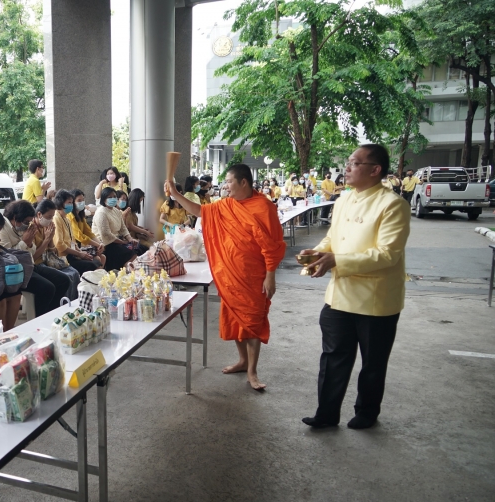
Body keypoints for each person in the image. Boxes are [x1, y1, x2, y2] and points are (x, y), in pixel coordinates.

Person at [300, 144, 410, 430]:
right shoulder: (344, 200)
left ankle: (366, 411)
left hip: (376, 299)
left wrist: (337, 260)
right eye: (348, 162)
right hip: (340, 295)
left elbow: (388, 255)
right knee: (333, 357)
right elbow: (333, 238)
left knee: (373, 363)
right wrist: (319, 252)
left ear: (375, 170)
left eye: (355, 163)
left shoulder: (393, 205)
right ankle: (326, 413)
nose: (347, 168)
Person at [165, 164, 286, 391]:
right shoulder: (226, 205)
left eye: (229, 182)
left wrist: (271, 276)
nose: (225, 186)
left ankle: (252, 371)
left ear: (243, 182)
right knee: (235, 318)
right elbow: (199, 211)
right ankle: (242, 361)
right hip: (229, 273)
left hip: (253, 275)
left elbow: (273, 246)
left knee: (252, 321)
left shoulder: (264, 208)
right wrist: (176, 194)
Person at [0, 200, 70, 316]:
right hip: (16, 271)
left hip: (30, 265)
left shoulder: (21, 227)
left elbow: (31, 252)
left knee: (63, 280)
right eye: (26, 221)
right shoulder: (3, 229)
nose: (27, 224)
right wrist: (25, 242)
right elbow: (8, 257)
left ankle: (52, 313)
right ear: (16, 217)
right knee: (48, 288)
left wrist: (30, 243)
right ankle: (41, 317)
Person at [34, 200, 81, 299]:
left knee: (75, 273)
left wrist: (50, 238)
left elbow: (53, 251)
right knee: (65, 279)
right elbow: (33, 257)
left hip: (48, 261)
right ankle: (59, 306)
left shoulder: (45, 227)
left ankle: (72, 302)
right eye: (49, 217)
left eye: (52, 217)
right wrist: (46, 240)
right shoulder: (32, 229)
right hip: (37, 264)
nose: (51, 220)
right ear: (39, 214)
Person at [52, 190, 100, 274]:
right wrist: (79, 254)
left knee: (96, 261)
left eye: (71, 203)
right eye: (68, 203)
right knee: (92, 265)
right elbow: (59, 244)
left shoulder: (66, 218)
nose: (71, 205)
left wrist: (80, 252)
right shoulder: (56, 218)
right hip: (63, 257)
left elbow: (72, 241)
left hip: (72, 254)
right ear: (60, 203)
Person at [92, 188, 138, 271]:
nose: (113, 199)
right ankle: (122, 273)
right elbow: (106, 234)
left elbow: (123, 228)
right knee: (130, 254)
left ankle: (126, 272)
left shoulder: (116, 211)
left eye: (114, 196)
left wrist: (130, 239)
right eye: (109, 197)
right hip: (105, 243)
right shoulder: (101, 213)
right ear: (104, 199)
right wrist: (123, 242)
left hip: (117, 240)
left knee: (139, 248)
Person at [67, 189, 107, 267]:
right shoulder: (70, 216)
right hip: (74, 248)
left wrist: (100, 244)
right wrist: (97, 245)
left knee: (103, 257)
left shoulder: (81, 216)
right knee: (97, 259)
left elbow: (89, 232)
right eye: (79, 200)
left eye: (83, 200)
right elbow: (80, 237)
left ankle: (100, 278)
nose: (82, 202)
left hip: (81, 246)